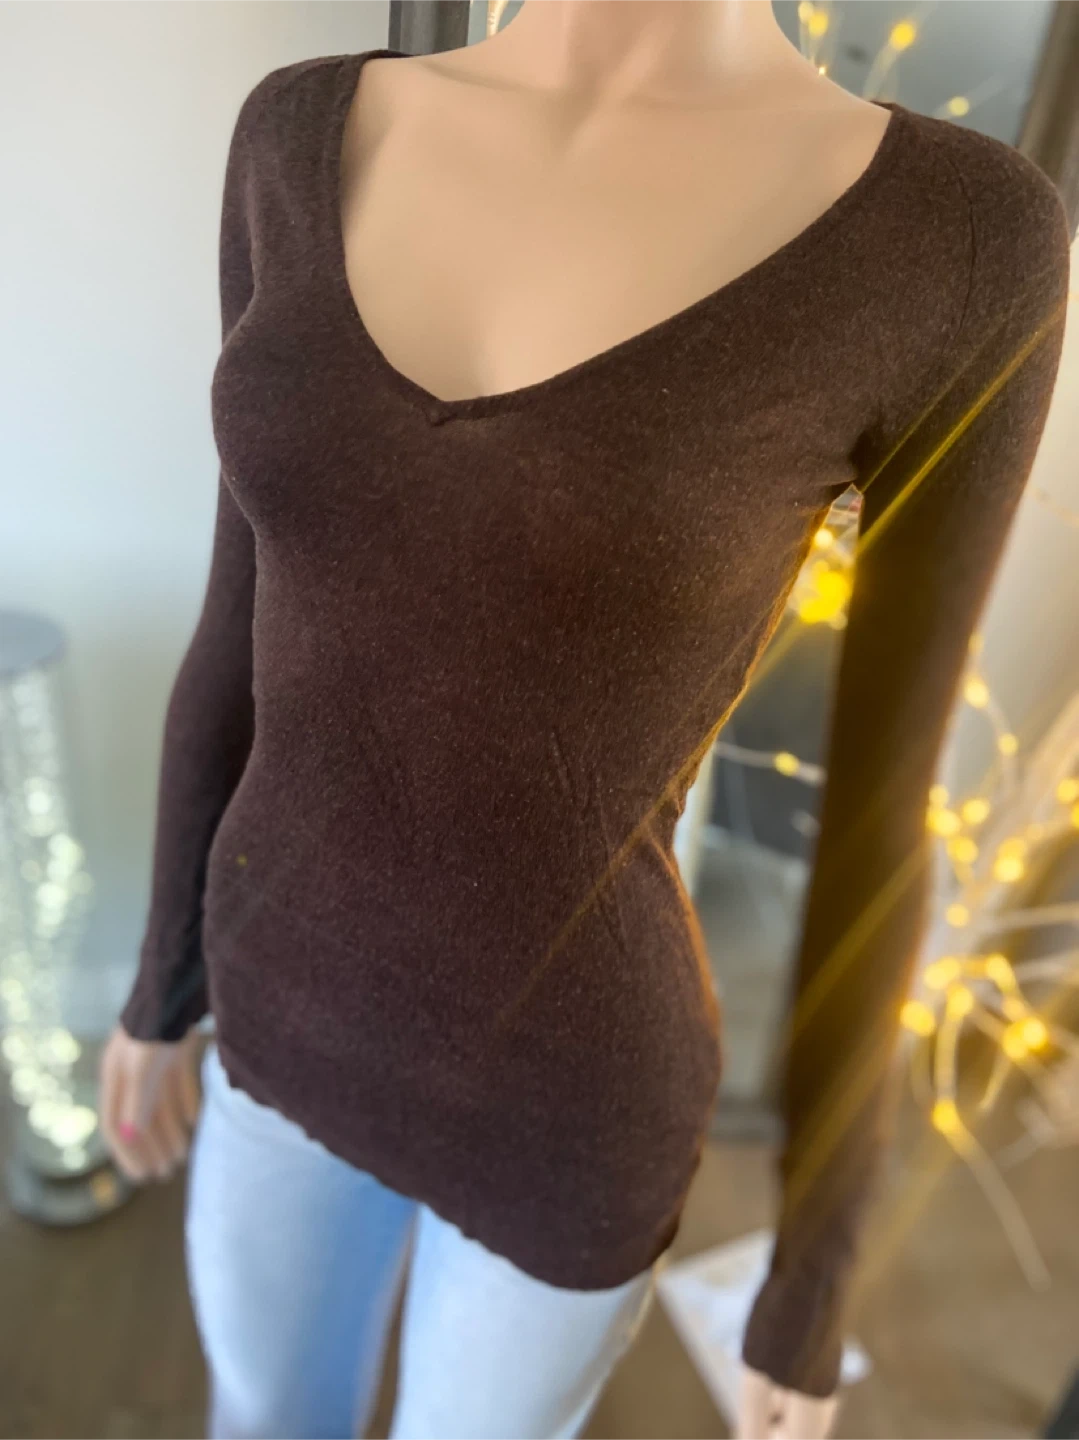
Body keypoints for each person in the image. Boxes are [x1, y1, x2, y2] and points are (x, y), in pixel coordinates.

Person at [98, 4, 1072, 1439]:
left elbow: (878, 817)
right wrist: (160, 984)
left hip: (567, 1103)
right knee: (261, 1419)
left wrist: (811, 1277)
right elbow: (232, 627)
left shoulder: (958, 238)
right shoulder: (294, 134)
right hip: (278, 1009)